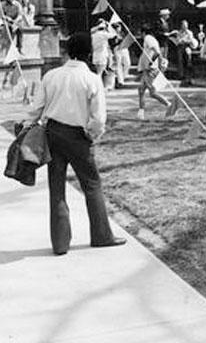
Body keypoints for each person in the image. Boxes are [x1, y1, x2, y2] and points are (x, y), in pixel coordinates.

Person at [19, 32, 125, 255]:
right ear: (89, 54)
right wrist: (92, 135)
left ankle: (60, 243)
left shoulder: (51, 76)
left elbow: (37, 107)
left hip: (53, 133)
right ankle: (101, 235)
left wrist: (27, 125)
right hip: (78, 136)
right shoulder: (92, 79)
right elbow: (98, 118)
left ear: (67, 51)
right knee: (92, 185)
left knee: (56, 188)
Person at [136, 24, 179, 121]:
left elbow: (157, 52)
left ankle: (169, 105)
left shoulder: (148, 38)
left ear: (143, 32)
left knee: (152, 92)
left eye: (140, 33)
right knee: (141, 90)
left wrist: (151, 62)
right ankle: (141, 112)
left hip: (151, 69)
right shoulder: (149, 39)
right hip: (147, 69)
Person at [175, 20, 198, 86]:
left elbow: (191, 40)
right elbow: (178, 41)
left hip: (187, 47)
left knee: (188, 62)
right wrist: (183, 40)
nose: (185, 27)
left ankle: (188, 76)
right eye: (184, 25)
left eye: (186, 25)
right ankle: (181, 75)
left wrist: (184, 40)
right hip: (180, 47)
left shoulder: (189, 32)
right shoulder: (178, 32)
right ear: (181, 26)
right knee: (180, 61)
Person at [111, 22, 133, 89]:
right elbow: (112, 43)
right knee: (119, 64)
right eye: (117, 27)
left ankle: (123, 77)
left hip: (124, 48)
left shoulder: (122, 33)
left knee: (128, 63)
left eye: (119, 27)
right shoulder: (111, 34)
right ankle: (120, 81)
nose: (119, 28)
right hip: (117, 49)